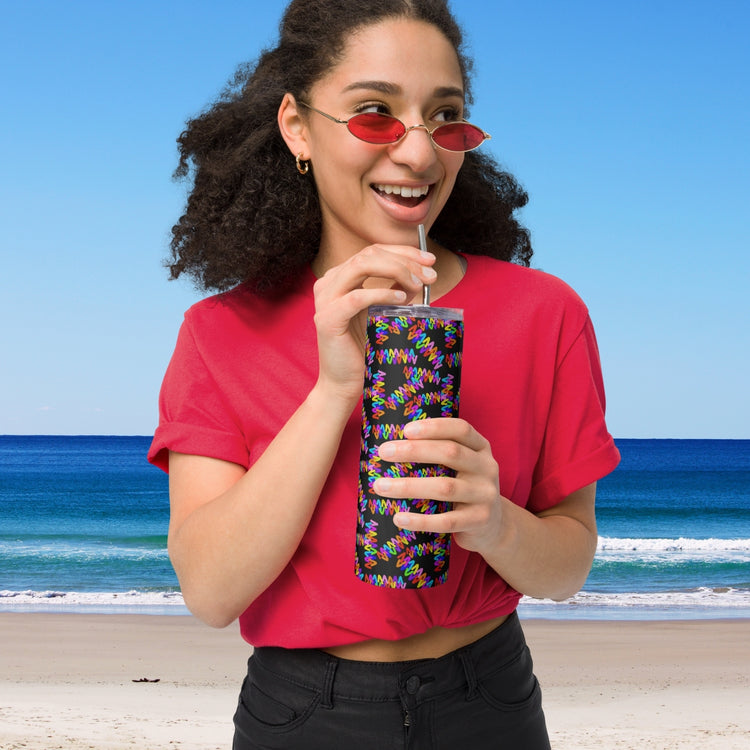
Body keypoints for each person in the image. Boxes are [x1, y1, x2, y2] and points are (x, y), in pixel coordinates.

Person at [148, 1, 620, 747]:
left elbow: (568, 565)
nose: (420, 155)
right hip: (303, 710)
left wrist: (495, 523)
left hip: (490, 696)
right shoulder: (220, 333)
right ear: (298, 127)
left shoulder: (545, 313)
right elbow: (210, 591)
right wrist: (335, 389)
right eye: (375, 114)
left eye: (446, 117)